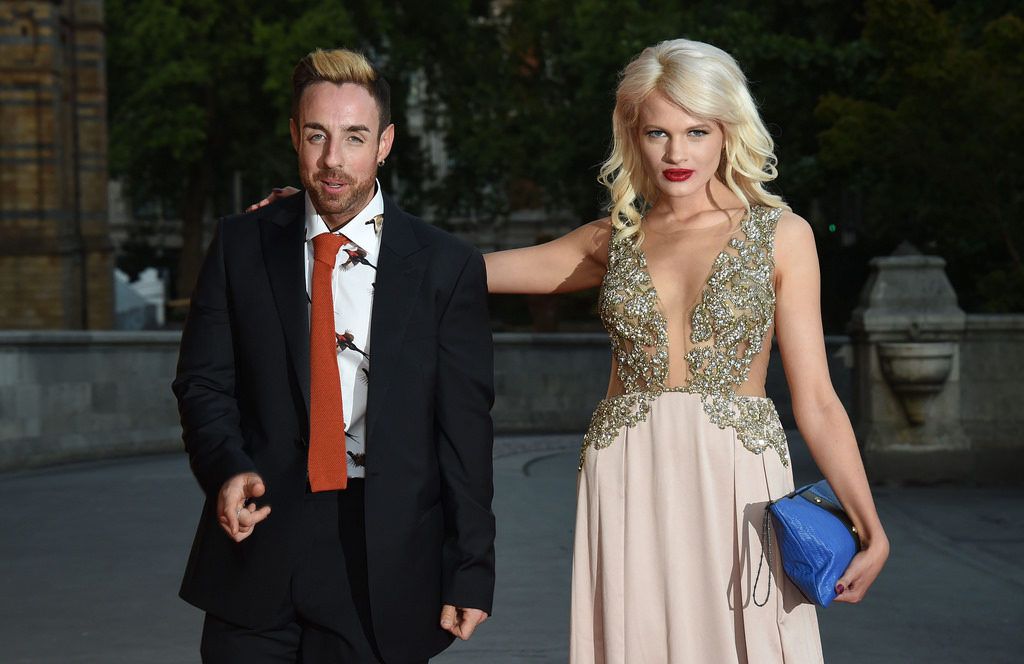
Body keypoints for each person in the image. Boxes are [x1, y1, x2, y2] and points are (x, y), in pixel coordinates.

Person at [253, 38, 889, 663]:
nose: (677, 152)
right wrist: (325, 218)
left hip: (736, 478)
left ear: (728, 130)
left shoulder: (784, 236)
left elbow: (818, 399)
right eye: (657, 133)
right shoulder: (613, 240)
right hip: (627, 469)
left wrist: (868, 524)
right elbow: (456, 268)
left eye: (697, 131)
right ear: (632, 136)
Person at [173, 48, 495, 664]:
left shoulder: (445, 266)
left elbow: (466, 430)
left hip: (383, 563)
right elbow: (203, 384)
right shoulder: (241, 244)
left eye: (354, 138)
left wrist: (472, 567)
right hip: (257, 551)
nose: (332, 160)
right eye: (317, 135)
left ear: (385, 143)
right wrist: (226, 468)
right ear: (295, 135)